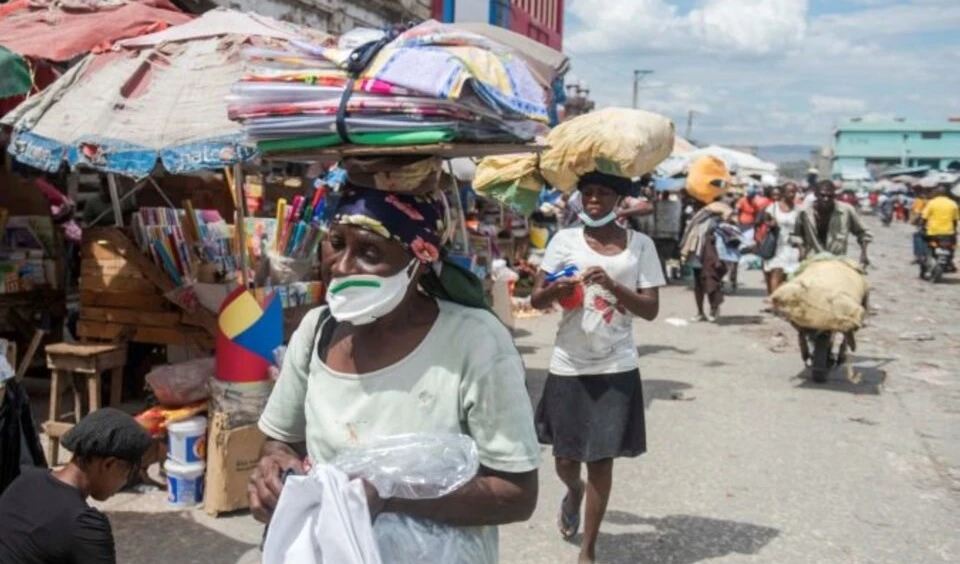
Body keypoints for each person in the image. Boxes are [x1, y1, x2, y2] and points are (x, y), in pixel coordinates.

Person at [249, 165, 540, 563]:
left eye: (369, 252)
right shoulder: (316, 331)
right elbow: (281, 437)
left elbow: (517, 495)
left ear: (418, 259)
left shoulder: (476, 341)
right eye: (336, 242)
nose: (341, 265)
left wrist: (391, 494)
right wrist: (274, 465)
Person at [530, 171, 664, 564]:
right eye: (587, 193)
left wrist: (611, 285)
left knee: (601, 456)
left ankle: (588, 550)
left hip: (617, 362)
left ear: (619, 199)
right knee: (566, 458)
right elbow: (537, 299)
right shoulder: (563, 240)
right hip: (569, 361)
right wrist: (556, 289)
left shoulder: (640, 245)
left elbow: (651, 309)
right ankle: (573, 491)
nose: (593, 199)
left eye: (603, 193)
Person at [0, 408, 152, 564]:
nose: (125, 482)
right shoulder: (85, 525)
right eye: (128, 474)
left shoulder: (26, 480)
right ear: (109, 464)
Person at [792, 180, 871, 267]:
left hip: (837, 259)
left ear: (834, 195)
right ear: (816, 194)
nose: (826, 199)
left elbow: (863, 233)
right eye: (822, 195)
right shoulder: (804, 212)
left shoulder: (846, 211)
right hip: (812, 259)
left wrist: (864, 254)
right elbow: (797, 235)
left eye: (830, 196)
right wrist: (801, 251)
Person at [760, 184, 801, 297]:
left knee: (789, 276)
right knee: (776, 272)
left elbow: (801, 229)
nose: (791, 194)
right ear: (783, 193)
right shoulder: (773, 207)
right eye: (789, 192)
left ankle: (784, 301)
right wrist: (770, 224)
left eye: (794, 192)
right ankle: (774, 301)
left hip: (792, 247)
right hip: (777, 245)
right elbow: (765, 220)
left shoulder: (799, 210)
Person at [919, 183, 960, 271]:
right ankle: (950, 261)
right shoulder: (953, 204)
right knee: (952, 246)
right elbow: (955, 220)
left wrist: (922, 225)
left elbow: (924, 217)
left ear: (937, 193)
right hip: (948, 232)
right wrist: (954, 230)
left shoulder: (932, 202)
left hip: (933, 232)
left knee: (921, 239)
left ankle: (922, 257)